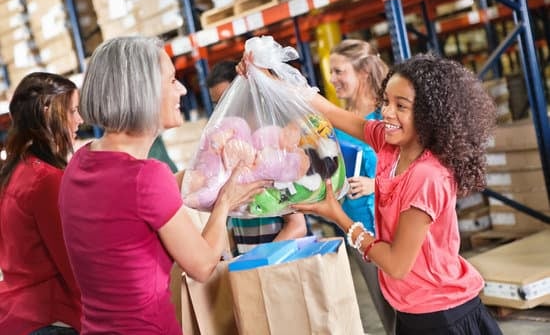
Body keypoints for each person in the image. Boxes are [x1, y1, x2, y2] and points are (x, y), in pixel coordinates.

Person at [58, 36, 269, 334]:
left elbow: (130, 208)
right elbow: (203, 264)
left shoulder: (80, 162)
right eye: (171, 80)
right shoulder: (146, 176)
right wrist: (225, 203)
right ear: (142, 92)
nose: (182, 89)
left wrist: (207, 168)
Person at [290, 53, 502, 334]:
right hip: (412, 310)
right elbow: (330, 112)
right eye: (386, 102)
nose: (387, 112)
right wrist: (275, 76)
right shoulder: (391, 145)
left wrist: (337, 216)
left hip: (441, 317)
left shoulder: (426, 176)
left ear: (429, 116)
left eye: (401, 106)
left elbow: (396, 264)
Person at [0, 73, 83, 334]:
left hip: (20, 314)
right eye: (73, 110)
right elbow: (72, 265)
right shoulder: (47, 181)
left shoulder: (17, 170)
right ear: (48, 113)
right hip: (50, 318)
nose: (79, 120)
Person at [206, 59, 308, 255]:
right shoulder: (228, 150)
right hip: (247, 260)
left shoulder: (273, 145)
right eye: (216, 104)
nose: (222, 109)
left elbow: (297, 225)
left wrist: (260, 261)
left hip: (279, 261)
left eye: (227, 99)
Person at [329, 39, 395, 334]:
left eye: (338, 71)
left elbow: (417, 172)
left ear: (364, 73)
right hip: (358, 231)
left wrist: (374, 184)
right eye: (330, 72)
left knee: (409, 309)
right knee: (386, 313)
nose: (332, 80)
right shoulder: (340, 121)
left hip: (391, 231)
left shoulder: (387, 116)